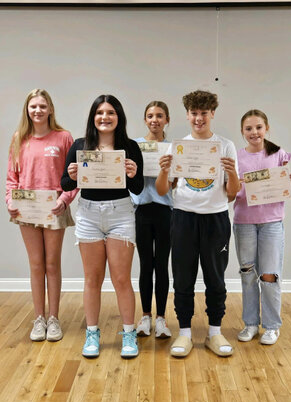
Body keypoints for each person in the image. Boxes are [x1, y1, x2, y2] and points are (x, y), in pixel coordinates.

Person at [155, 90, 240, 358]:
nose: (199, 118)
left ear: (212, 114)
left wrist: (232, 172)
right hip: (183, 217)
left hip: (215, 218)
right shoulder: (178, 147)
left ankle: (215, 332)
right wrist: (165, 169)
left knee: (215, 277)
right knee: (182, 277)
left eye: (204, 113)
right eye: (194, 113)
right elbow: (161, 191)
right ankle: (184, 334)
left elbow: (231, 194)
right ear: (187, 115)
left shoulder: (225, 146)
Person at [60, 94, 144, 358]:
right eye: (100, 112)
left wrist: (132, 174)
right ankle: (92, 334)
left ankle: (129, 335)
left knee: (121, 279)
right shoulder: (80, 145)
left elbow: (138, 188)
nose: (105, 117)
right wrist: (72, 175)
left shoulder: (129, 147)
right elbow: (65, 184)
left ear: (118, 117)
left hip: (121, 213)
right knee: (92, 279)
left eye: (110, 113)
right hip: (89, 214)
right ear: (92, 117)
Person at [6, 89, 77, 342]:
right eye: (33, 106)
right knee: (36, 265)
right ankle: (39, 318)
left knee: (51, 264)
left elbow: (74, 178)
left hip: (54, 208)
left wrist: (64, 199)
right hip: (27, 210)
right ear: (27, 109)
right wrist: (9, 202)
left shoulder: (63, 137)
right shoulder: (19, 139)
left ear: (50, 110)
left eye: (42, 106)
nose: (38, 111)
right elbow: (12, 180)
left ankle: (54, 318)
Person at [233, 109, 291, 346]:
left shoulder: (278, 154)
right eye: (249, 128)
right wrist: (241, 185)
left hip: (272, 222)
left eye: (258, 127)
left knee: (270, 275)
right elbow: (231, 193)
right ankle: (251, 323)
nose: (254, 132)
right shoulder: (236, 157)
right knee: (248, 274)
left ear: (267, 128)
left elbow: (283, 191)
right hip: (244, 222)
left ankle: (271, 326)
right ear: (242, 132)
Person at [131, 101, 173, 339]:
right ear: (145, 119)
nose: (154, 120)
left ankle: (161, 319)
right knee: (146, 264)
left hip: (166, 210)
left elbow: (175, 183)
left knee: (162, 265)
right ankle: (145, 316)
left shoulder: (172, 148)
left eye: (159, 116)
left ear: (167, 120)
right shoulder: (135, 146)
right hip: (142, 210)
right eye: (150, 115)